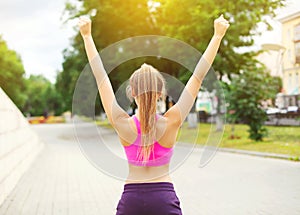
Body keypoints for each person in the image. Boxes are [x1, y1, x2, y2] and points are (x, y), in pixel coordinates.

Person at [78, 14, 229, 215]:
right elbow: (198, 76)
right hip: (164, 199)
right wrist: (217, 36)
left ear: (132, 92)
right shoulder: (172, 121)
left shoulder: (123, 123)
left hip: (131, 199)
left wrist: (87, 37)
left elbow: (101, 77)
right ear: (160, 93)